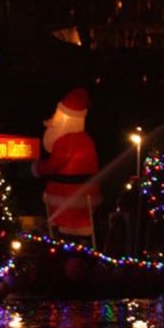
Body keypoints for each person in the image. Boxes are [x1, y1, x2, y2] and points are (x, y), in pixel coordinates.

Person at [31, 87, 102, 243]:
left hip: (68, 202)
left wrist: (37, 168)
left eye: (57, 114)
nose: (52, 119)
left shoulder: (67, 142)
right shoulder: (87, 140)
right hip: (86, 202)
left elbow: (55, 164)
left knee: (64, 237)